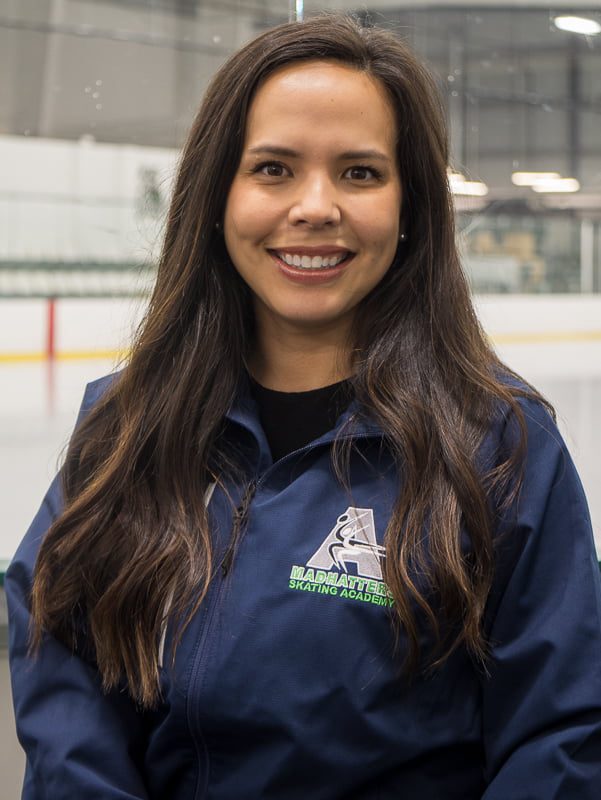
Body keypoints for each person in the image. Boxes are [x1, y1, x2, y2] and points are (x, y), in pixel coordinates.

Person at [6, 13, 601, 800]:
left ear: (410, 206)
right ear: (217, 196)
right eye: (273, 169)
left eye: (358, 172)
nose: (315, 206)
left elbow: (557, 738)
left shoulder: (500, 446)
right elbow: (61, 658)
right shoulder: (127, 427)